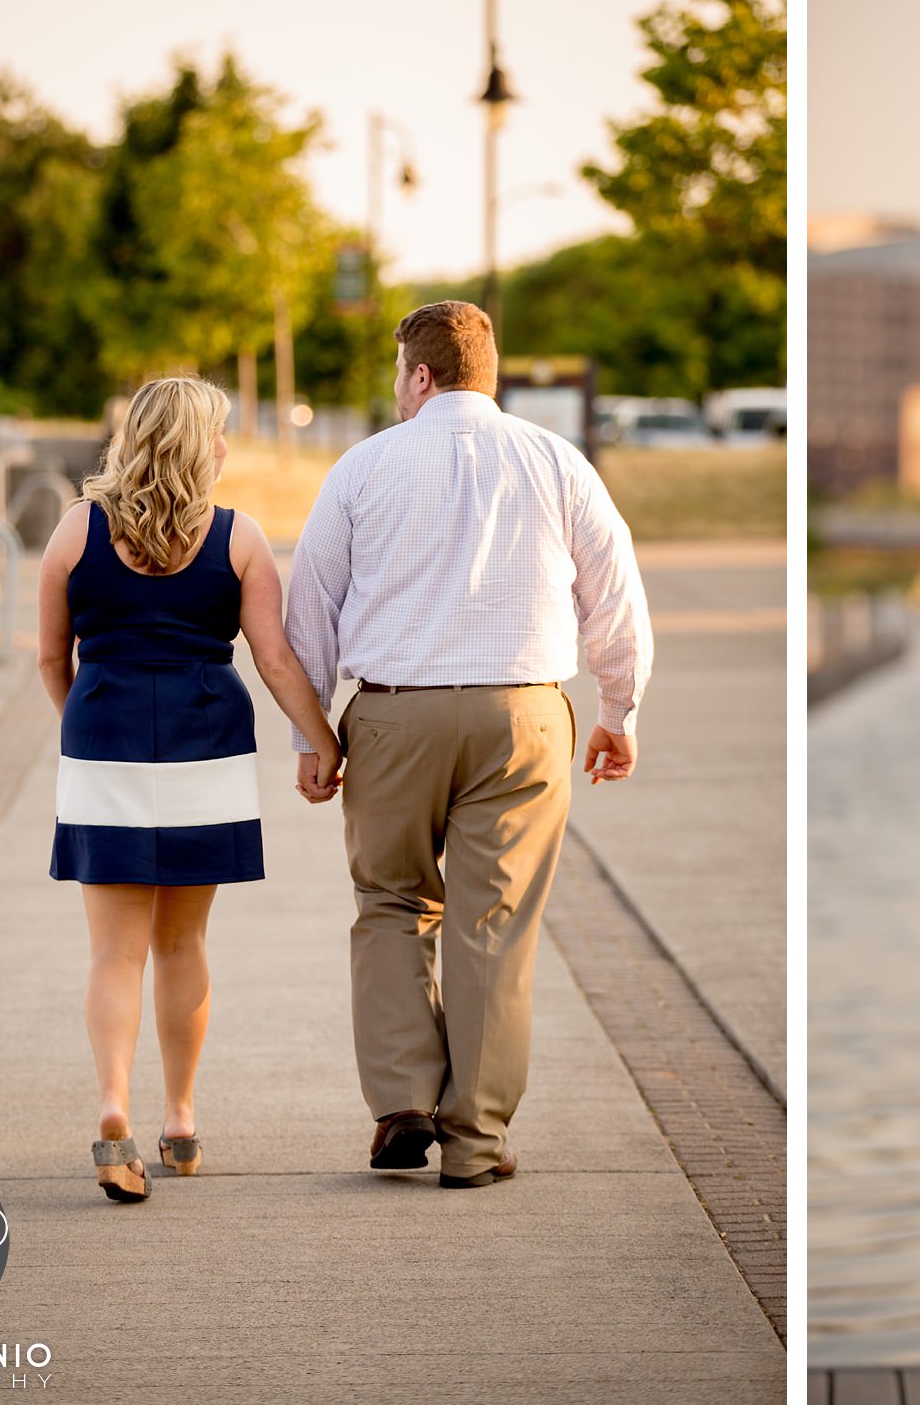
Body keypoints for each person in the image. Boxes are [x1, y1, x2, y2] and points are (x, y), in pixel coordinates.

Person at [285, 300, 652, 1190]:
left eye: (398, 379)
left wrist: (313, 733)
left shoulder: (364, 466)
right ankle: (477, 1141)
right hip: (522, 716)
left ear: (420, 376)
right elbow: (616, 599)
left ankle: (405, 1102)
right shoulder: (558, 462)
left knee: (390, 902)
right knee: (492, 927)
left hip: (392, 716)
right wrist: (619, 710)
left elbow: (310, 610)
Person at [38, 376, 342, 1203]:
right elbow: (275, 659)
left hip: (104, 745)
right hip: (207, 748)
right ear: (205, 444)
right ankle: (177, 1117)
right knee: (183, 944)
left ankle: (112, 1106)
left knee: (113, 950)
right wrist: (323, 738)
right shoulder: (239, 538)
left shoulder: (75, 530)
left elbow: (48, 658)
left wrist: (91, 732)